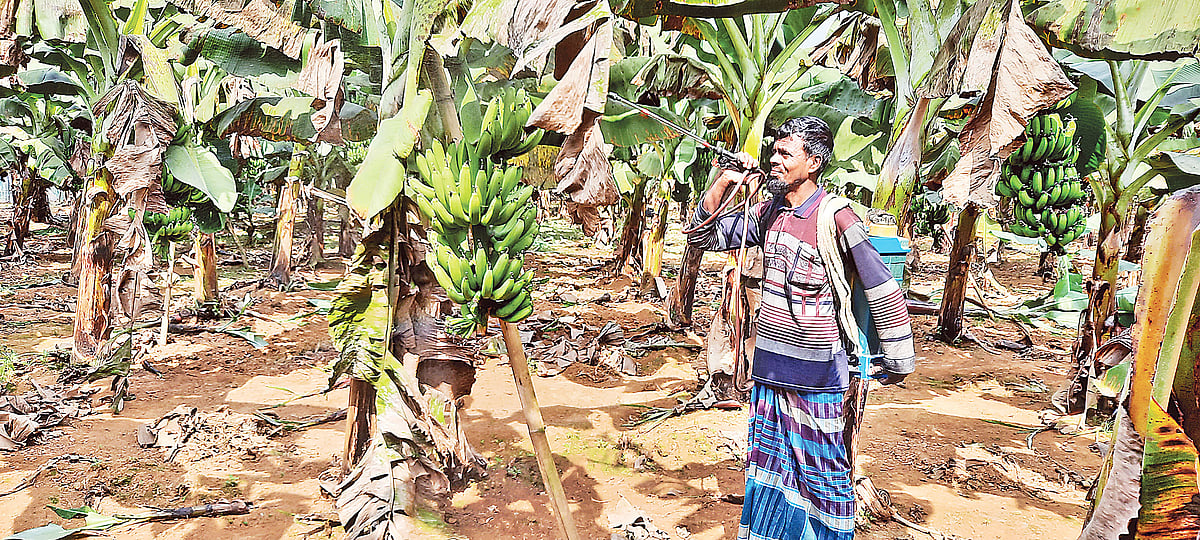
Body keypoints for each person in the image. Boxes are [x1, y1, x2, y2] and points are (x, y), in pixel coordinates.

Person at [686, 116, 915, 540]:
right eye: (772, 151)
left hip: (817, 377)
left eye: (784, 153)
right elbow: (704, 238)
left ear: (813, 162)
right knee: (771, 474)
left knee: (824, 476)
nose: (773, 160)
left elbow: (881, 283)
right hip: (770, 372)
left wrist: (898, 358)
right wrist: (721, 182)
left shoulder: (835, 217)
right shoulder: (771, 212)